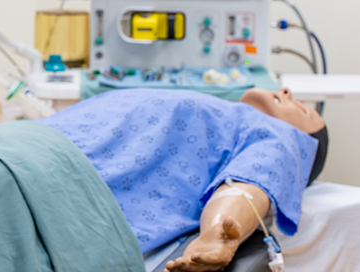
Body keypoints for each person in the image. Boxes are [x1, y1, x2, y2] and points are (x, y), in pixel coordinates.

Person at [35, 87, 328, 272]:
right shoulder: (226, 112)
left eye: (302, 109)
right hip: (30, 144)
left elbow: (245, 190)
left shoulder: (283, 137)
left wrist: (215, 236)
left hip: (44, 173)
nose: (287, 91)